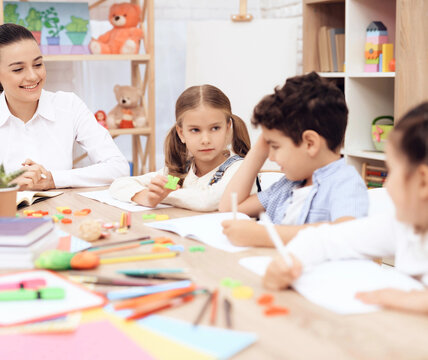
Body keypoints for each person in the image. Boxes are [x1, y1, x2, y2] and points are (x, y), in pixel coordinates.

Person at [0, 23, 129, 195]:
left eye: (38, 64)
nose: (32, 76)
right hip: (10, 217)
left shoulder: (69, 105)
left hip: (65, 213)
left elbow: (118, 168)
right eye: (18, 69)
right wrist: (0, 185)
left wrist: (53, 179)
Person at [263, 102, 428, 314]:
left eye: (391, 170)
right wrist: (288, 261)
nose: (386, 184)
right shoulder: (404, 226)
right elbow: (326, 238)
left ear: (422, 182)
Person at [220, 72, 368, 246]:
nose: (271, 156)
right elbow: (229, 209)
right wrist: (259, 149)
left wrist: (266, 235)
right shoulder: (287, 185)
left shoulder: (344, 183)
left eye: (275, 146)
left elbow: (347, 233)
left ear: (310, 143)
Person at [109, 84, 257, 211]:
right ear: (181, 133)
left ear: (228, 128)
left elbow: (207, 201)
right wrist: (147, 196)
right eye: (195, 130)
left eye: (215, 128)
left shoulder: (240, 168)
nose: (205, 140)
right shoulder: (179, 171)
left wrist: (164, 196)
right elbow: (119, 184)